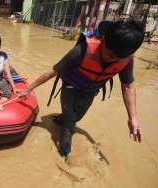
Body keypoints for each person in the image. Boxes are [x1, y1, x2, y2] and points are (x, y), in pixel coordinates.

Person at [19, 20, 144, 158]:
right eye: (109, 54)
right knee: (70, 123)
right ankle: (65, 152)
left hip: (90, 90)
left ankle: (63, 119)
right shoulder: (83, 49)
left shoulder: (126, 59)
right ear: (103, 39)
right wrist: (28, 89)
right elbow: (53, 71)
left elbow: (127, 86)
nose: (110, 59)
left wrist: (133, 118)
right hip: (71, 85)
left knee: (78, 116)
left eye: (116, 58)